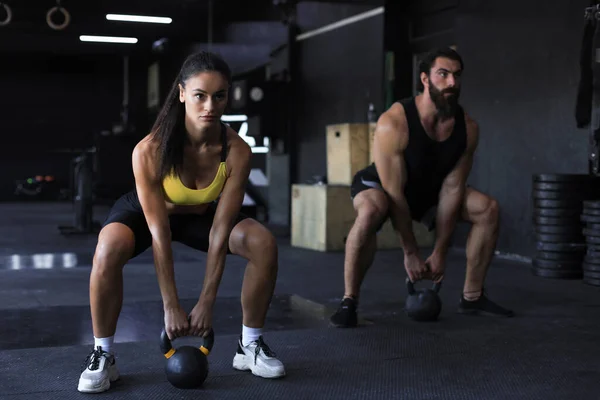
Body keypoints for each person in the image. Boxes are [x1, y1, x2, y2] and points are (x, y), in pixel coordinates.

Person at [77, 51, 285, 393]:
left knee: (263, 242)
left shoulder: (237, 151)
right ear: (182, 93)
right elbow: (159, 233)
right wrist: (171, 305)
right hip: (150, 214)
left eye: (219, 96)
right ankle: (104, 353)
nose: (210, 105)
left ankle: (250, 345)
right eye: (200, 95)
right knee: (108, 247)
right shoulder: (150, 150)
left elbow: (220, 229)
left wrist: (206, 301)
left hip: (202, 215)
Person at [330, 47, 514, 328]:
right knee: (371, 211)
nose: (452, 82)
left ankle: (472, 296)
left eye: (457, 75)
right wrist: (411, 252)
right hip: (382, 184)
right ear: (425, 79)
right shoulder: (394, 123)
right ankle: (349, 301)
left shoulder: (468, 128)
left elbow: (452, 189)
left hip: (428, 189)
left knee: (487, 209)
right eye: (443, 74)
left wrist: (440, 251)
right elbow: (394, 194)